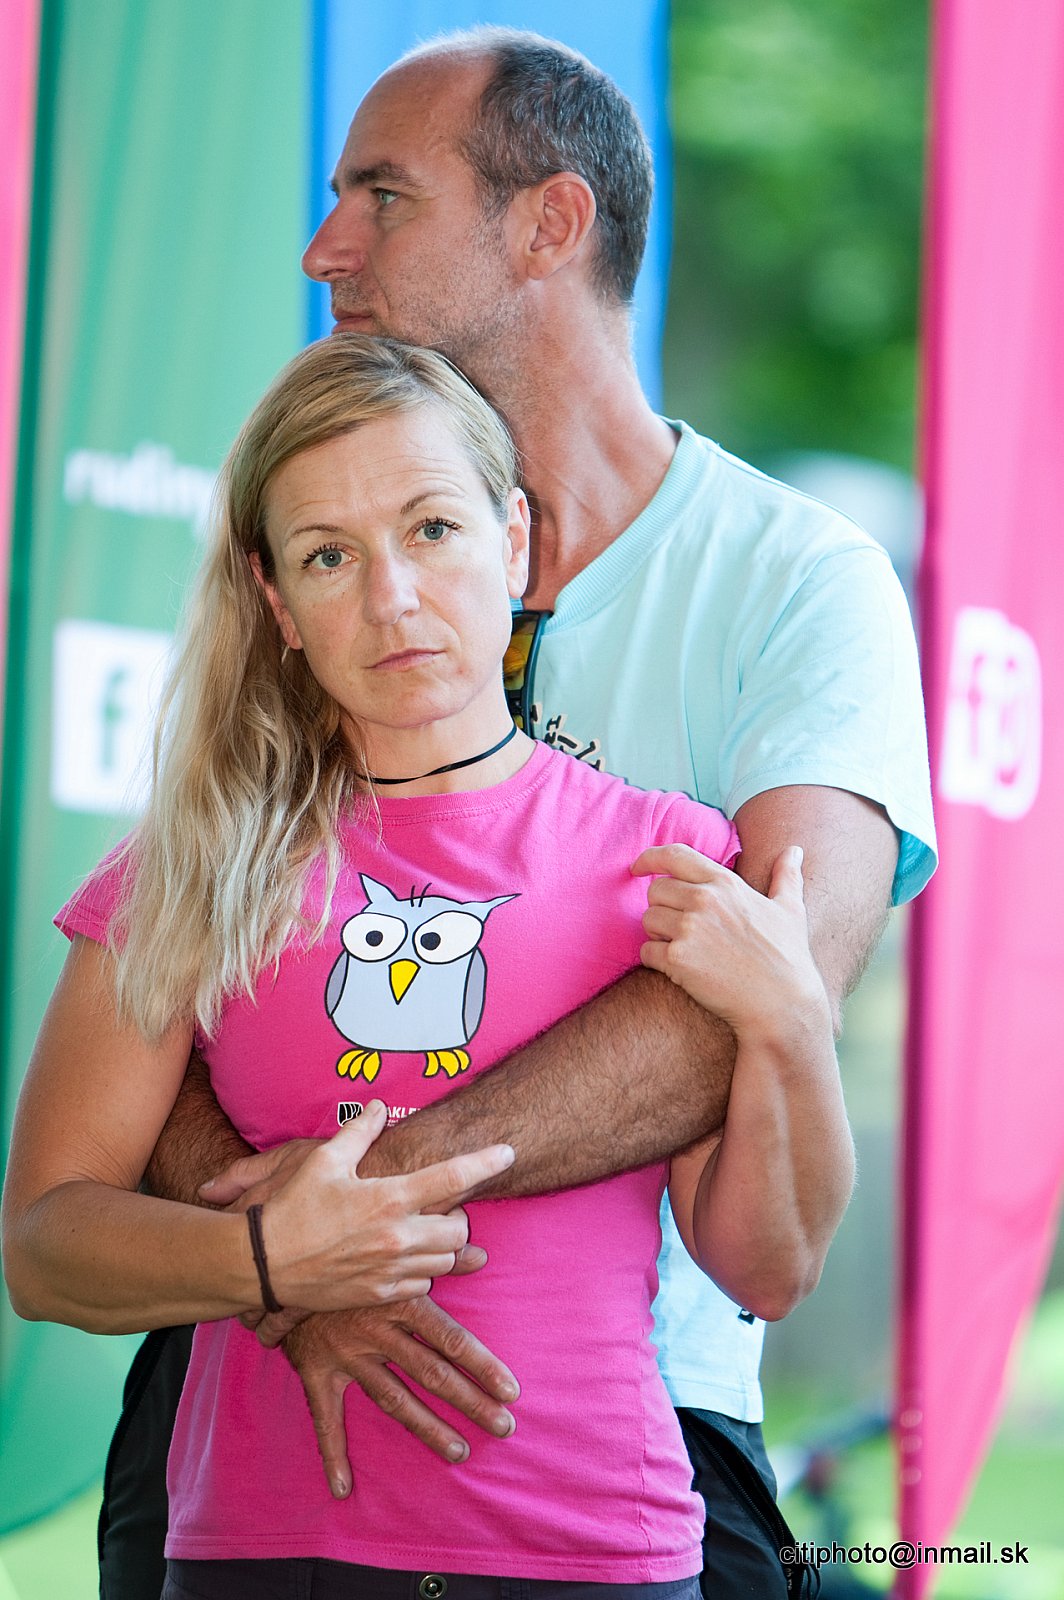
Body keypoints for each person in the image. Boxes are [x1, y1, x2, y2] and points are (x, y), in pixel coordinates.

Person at [94, 26, 936, 1600]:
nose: (324, 248)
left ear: (550, 224)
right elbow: (175, 979)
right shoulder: (309, 563)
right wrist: (281, 1276)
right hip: (246, 1383)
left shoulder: (798, 581)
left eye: (382, 196)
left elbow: (753, 1003)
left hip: (631, 1409)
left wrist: (348, 1216)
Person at [3, 333, 852, 1599]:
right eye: (328, 556)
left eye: (432, 529)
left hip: (591, 1551)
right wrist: (272, 1263)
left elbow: (766, 1268)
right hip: (265, 1556)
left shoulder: (669, 860)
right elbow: (45, 1245)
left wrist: (787, 1018)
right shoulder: (187, 872)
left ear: (512, 542)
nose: (391, 597)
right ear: (275, 603)